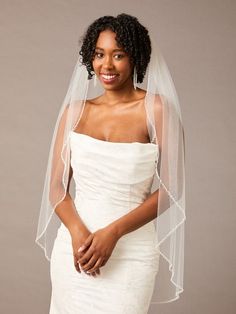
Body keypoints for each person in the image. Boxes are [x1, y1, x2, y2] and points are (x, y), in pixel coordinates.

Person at [35, 13, 186, 314]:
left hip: (130, 252)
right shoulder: (75, 111)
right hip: (75, 249)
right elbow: (55, 187)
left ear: (136, 58)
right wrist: (78, 232)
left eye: (118, 55)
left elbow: (172, 189)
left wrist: (113, 233)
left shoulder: (156, 109)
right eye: (99, 54)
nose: (107, 65)